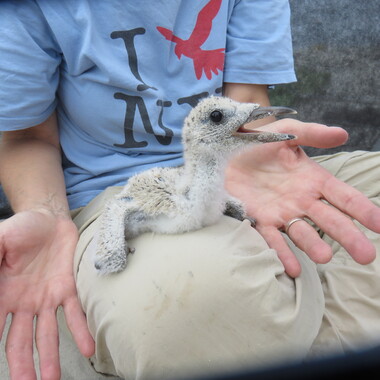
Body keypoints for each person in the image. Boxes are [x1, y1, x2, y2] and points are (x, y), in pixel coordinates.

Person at [0, 1, 379, 379]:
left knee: (224, 323)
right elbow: (28, 135)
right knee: (191, 306)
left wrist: (249, 151)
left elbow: (241, 103)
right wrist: (45, 212)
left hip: (231, 167)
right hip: (116, 188)